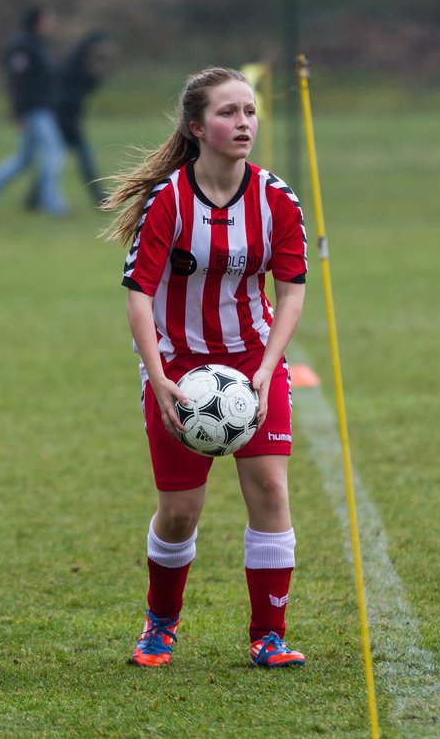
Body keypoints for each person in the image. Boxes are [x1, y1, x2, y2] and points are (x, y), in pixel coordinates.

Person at [101, 67, 309, 668]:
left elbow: (291, 292)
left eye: (249, 111)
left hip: (251, 359)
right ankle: (159, 625)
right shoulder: (168, 202)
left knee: (270, 488)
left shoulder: (277, 200)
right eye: (227, 113)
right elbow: (138, 293)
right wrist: (159, 376)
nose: (243, 122)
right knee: (179, 511)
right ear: (197, 128)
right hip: (178, 365)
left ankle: (268, 636)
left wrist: (267, 371)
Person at [0, 5, 68, 217]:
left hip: (41, 108)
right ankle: (53, 204)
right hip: (33, 110)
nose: (51, 24)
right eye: (48, 19)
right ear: (37, 21)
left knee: (24, 159)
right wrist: (18, 112)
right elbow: (17, 81)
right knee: (55, 154)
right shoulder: (22, 46)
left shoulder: (36, 43)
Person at [26, 31, 115, 210]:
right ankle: (98, 197)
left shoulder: (82, 65)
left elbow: (89, 88)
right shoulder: (74, 66)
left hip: (69, 119)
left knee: (55, 160)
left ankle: (33, 199)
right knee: (79, 158)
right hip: (64, 120)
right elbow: (68, 93)